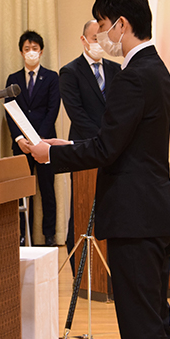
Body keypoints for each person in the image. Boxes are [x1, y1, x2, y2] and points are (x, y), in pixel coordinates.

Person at [26, 0, 170, 339]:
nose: (100, 32)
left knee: (141, 329)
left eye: (102, 23)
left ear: (121, 24)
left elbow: (107, 149)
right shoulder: (157, 69)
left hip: (136, 219)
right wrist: (65, 146)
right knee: (156, 322)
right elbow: (118, 140)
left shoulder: (132, 76)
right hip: (153, 214)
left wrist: (48, 155)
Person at [59, 19, 121, 274]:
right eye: (95, 39)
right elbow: (77, 114)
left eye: (102, 38)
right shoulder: (70, 72)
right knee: (81, 207)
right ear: (84, 40)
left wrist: (114, 140)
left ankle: (108, 269)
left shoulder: (117, 70)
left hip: (113, 149)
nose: (99, 43)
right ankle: (80, 271)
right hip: (85, 148)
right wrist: (103, 139)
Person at [4, 30, 61, 246]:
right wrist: (20, 138)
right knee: (21, 192)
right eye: (27, 49)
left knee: (47, 188)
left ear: (42, 51)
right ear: (21, 52)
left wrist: (38, 140)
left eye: (34, 48)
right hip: (22, 145)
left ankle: (49, 235)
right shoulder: (13, 79)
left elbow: (53, 109)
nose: (31, 52)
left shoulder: (52, 77)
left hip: (45, 144)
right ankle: (21, 235)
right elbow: (9, 111)